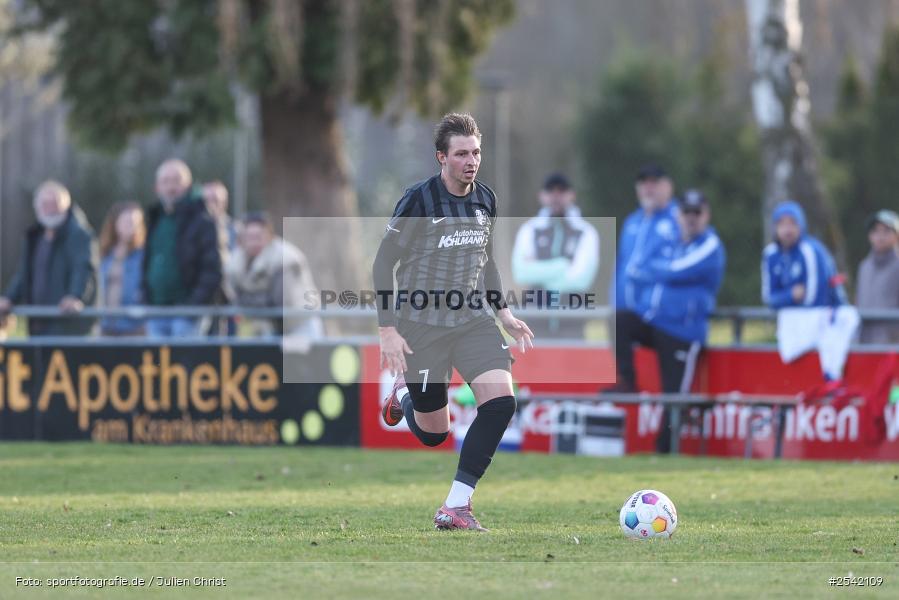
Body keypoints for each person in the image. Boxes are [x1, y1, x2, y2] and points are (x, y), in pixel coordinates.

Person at [373, 113, 534, 531]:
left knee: (501, 404)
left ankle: (456, 505)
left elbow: (487, 260)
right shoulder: (418, 200)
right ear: (441, 157)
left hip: (472, 320)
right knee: (434, 433)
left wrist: (504, 312)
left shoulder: (486, 200)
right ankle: (407, 397)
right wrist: (387, 329)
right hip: (420, 326)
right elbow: (383, 263)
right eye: (462, 153)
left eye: (476, 152)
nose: (471, 160)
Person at [626, 190, 726, 452]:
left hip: (683, 331)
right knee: (620, 320)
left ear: (706, 215)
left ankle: (665, 451)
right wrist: (659, 269)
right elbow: (636, 267)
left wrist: (658, 271)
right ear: (677, 215)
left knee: (673, 395)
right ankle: (626, 382)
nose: (691, 218)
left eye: (697, 212)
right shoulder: (669, 240)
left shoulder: (710, 244)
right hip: (655, 322)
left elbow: (675, 271)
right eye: (686, 212)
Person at [762, 201, 858, 382]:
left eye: (792, 223)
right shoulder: (771, 254)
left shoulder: (811, 250)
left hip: (823, 318)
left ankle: (832, 378)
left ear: (801, 225)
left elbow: (813, 298)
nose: (787, 229)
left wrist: (785, 298)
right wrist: (791, 295)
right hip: (794, 323)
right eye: (781, 224)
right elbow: (769, 297)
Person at [610, 164, 680, 392]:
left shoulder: (678, 219)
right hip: (635, 315)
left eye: (654, 183)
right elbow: (622, 265)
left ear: (668, 187)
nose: (648, 189)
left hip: (665, 317)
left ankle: (671, 424)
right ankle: (627, 381)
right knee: (617, 321)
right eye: (644, 183)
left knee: (671, 389)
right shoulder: (633, 221)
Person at [0, 180, 97, 336]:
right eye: (45, 204)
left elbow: (82, 268)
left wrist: (75, 296)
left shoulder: (79, 235)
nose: (50, 209)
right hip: (38, 323)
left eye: (55, 203)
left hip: (67, 325)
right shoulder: (35, 237)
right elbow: (24, 273)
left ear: (66, 205)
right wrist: (9, 298)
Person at [142, 159, 224, 337]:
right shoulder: (155, 219)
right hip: (156, 311)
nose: (171, 187)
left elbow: (212, 269)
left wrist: (193, 306)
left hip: (188, 316)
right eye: (165, 181)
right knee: (158, 364)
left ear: (188, 185)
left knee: (186, 363)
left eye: (176, 180)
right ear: (157, 187)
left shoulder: (203, 220)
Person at [511, 173, 600, 338]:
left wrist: (540, 272)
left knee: (573, 364)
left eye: (562, 191)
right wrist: (562, 266)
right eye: (551, 191)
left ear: (571, 195)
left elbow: (581, 280)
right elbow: (521, 273)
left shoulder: (586, 232)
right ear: (542, 196)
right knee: (533, 364)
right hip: (534, 320)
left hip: (573, 319)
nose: (556, 196)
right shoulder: (529, 229)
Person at [225, 212, 322, 339]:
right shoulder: (236, 262)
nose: (254, 243)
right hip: (270, 328)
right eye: (249, 237)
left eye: (258, 237)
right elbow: (235, 298)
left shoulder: (285, 260)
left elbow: (280, 302)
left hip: (299, 325)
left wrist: (250, 302)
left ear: (269, 236)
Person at [97, 202, 146, 336]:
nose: (131, 226)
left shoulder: (144, 255)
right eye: (126, 221)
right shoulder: (105, 254)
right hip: (106, 325)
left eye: (135, 222)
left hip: (134, 326)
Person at [856, 210, 899, 344]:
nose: (880, 236)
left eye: (886, 231)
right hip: (866, 346)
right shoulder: (864, 267)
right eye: (875, 231)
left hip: (892, 348)